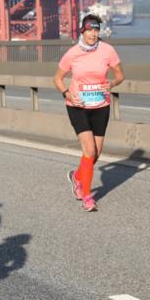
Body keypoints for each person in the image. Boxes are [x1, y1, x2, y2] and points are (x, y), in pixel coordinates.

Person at [52, 14, 125, 212]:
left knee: (96, 154)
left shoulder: (107, 50)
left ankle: (77, 177)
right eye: (90, 30)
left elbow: (120, 76)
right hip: (78, 106)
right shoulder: (72, 53)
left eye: (96, 30)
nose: (93, 34)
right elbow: (57, 78)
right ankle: (87, 196)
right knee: (89, 150)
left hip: (101, 105)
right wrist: (67, 93)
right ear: (82, 31)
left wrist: (111, 83)